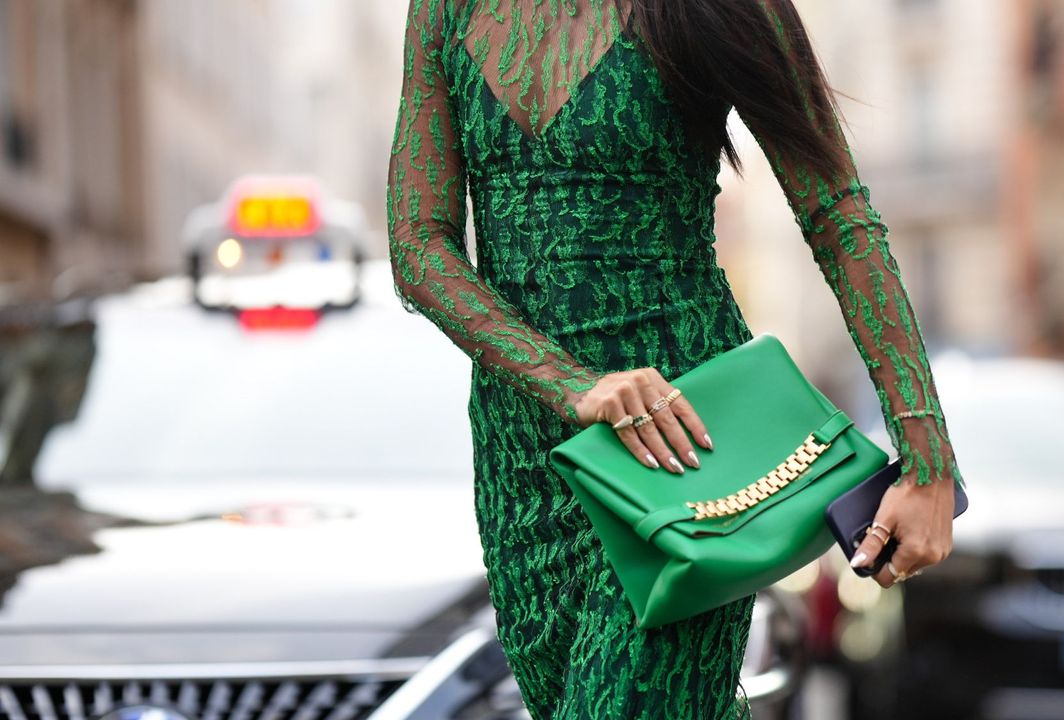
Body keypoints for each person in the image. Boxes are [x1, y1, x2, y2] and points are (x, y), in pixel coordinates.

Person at [385, 0, 963, 716]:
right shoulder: (445, 8)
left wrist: (928, 457)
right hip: (522, 462)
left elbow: (838, 212)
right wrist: (570, 384)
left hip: (684, 444)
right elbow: (417, 247)